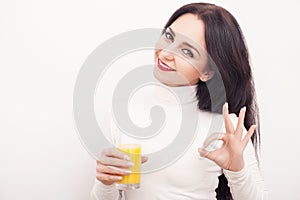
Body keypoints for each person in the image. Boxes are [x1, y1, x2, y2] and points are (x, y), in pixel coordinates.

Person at [90, 2, 268, 200]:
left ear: (207, 72)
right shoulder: (128, 109)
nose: (165, 54)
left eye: (187, 52)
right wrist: (105, 182)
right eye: (169, 37)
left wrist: (237, 170)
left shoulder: (225, 126)